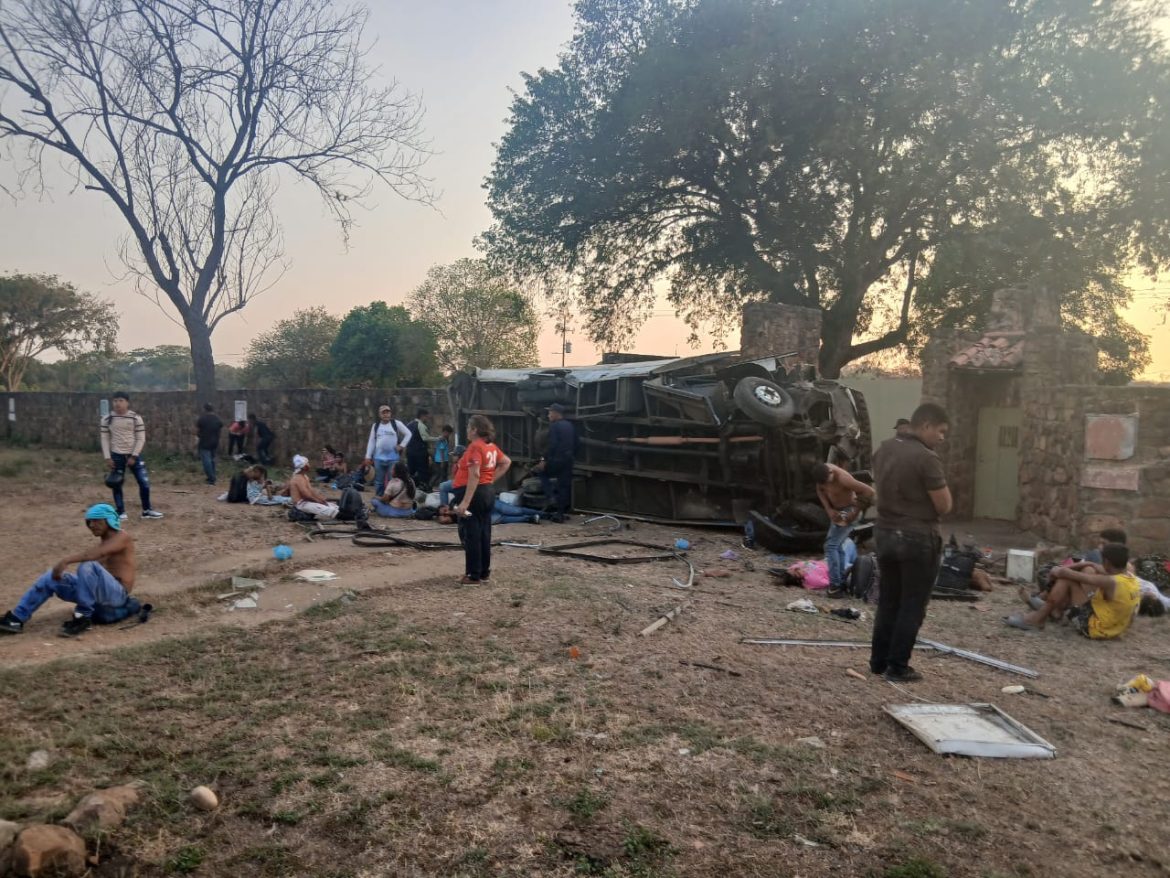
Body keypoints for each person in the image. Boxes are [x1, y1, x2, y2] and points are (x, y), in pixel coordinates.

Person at [869, 402, 952, 683]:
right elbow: (943, 505)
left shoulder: (885, 449)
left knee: (888, 600)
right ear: (926, 425)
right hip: (917, 537)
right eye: (940, 431)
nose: (942, 437)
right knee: (912, 604)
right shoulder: (926, 458)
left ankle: (878, 661)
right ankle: (897, 666)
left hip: (884, 532)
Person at [0, 504, 143, 637]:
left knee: (88, 565)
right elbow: (93, 574)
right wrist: (66, 580)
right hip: (101, 593)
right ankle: (16, 619)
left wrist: (65, 561)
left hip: (117, 595)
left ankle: (82, 618)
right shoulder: (106, 542)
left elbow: (95, 556)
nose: (91, 525)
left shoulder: (122, 537)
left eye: (96, 521)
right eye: (89, 522)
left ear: (109, 520)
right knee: (51, 577)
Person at [1005, 543, 1140, 638]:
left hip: (1094, 628)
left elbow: (1067, 574)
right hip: (1114, 628)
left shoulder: (1110, 582)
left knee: (1067, 580)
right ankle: (1054, 611)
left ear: (1107, 562)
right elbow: (1095, 568)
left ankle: (1038, 619)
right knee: (1087, 570)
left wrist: (1057, 570)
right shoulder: (1130, 578)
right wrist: (1088, 563)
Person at [452, 415, 512, 584]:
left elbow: (475, 474)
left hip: (474, 495)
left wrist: (465, 502)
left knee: (471, 533)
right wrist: (490, 479)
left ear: (474, 430)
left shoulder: (475, 447)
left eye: (468, 428)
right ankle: (484, 571)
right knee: (484, 532)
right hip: (486, 492)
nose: (467, 431)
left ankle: (473, 574)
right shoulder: (490, 446)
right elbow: (506, 462)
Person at [812, 462, 876, 596]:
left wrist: (855, 512)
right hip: (837, 512)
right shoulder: (821, 474)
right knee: (838, 546)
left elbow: (869, 491)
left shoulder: (843, 478)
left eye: (828, 481)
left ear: (831, 473)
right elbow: (819, 490)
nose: (826, 485)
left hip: (849, 510)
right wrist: (829, 509)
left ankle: (835, 586)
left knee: (830, 546)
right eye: (823, 483)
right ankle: (840, 582)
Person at [101, 391, 164, 520]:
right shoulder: (107, 419)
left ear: (127, 403)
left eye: (121, 400)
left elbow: (141, 438)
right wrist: (107, 457)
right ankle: (120, 512)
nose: (118, 403)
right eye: (115, 401)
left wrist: (134, 456)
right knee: (116, 483)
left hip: (134, 455)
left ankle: (147, 510)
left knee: (144, 482)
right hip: (116, 456)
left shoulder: (135, 418)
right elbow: (104, 438)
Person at [288, 455, 369, 527]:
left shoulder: (304, 477)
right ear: (304, 466)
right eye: (307, 463)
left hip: (307, 501)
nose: (309, 465)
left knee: (333, 506)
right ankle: (352, 516)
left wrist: (321, 499)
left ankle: (353, 513)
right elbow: (306, 495)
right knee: (328, 510)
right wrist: (319, 501)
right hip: (301, 504)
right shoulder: (297, 478)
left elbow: (311, 492)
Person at [534, 403, 576, 522]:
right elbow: (577, 443)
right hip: (568, 460)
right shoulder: (570, 425)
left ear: (556, 413)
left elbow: (552, 445)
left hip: (556, 459)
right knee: (563, 486)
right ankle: (560, 514)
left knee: (541, 472)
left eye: (550, 413)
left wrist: (544, 460)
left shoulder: (554, 426)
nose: (548, 415)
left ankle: (551, 497)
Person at [363, 405, 411, 495]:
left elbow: (408, 434)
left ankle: (391, 498)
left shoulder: (396, 424)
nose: (386, 414)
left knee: (392, 481)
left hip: (393, 458)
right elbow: (372, 441)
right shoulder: (376, 426)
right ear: (379, 415)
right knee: (379, 481)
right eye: (383, 413)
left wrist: (402, 445)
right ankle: (379, 498)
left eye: (387, 412)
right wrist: (368, 456)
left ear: (390, 413)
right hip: (378, 458)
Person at [195, 403, 224, 486]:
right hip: (215, 442)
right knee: (212, 460)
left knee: (206, 461)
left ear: (205, 409)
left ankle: (211, 479)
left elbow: (198, 430)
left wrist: (197, 438)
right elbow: (220, 428)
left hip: (204, 442)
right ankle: (212, 476)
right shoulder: (217, 419)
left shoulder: (202, 419)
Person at [405, 408, 434, 488]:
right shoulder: (421, 426)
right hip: (421, 453)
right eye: (426, 417)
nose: (427, 419)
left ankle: (410, 488)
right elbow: (426, 439)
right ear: (422, 416)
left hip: (410, 452)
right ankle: (424, 488)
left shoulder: (409, 425)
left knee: (411, 472)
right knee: (423, 472)